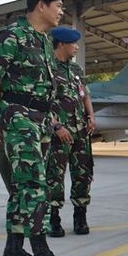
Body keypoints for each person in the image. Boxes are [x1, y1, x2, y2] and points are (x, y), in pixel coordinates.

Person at [0, 0, 74, 256]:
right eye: (58, 5)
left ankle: (13, 251)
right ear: (41, 6)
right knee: (35, 186)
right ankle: (42, 255)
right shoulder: (12, 36)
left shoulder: (44, 41)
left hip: (40, 120)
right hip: (20, 119)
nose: (61, 11)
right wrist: (5, 119)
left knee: (23, 188)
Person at [46, 26, 95, 237]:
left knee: (83, 174)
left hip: (81, 132)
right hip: (59, 133)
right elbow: (43, 103)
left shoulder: (76, 70)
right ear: (62, 44)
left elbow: (85, 96)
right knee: (55, 176)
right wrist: (56, 126)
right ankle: (54, 218)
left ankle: (80, 216)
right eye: (73, 44)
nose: (76, 47)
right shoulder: (47, 69)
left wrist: (91, 116)